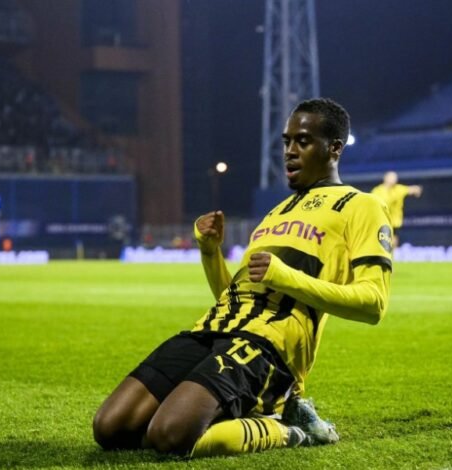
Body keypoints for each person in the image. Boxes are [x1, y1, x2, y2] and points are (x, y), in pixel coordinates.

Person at [92, 98, 393, 457]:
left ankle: (291, 428)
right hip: (212, 331)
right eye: (287, 142)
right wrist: (210, 252)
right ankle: (226, 416)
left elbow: (373, 303)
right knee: (110, 427)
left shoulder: (361, 206)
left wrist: (286, 277)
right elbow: (234, 294)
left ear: (335, 149)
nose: (290, 151)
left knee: (170, 436)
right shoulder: (277, 213)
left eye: (303, 141)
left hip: (269, 346)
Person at [370, 171, 422, 247]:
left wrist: (417, 190)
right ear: (385, 178)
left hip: (394, 221)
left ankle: (392, 252)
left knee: (393, 239)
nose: (393, 180)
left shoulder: (398, 189)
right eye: (391, 178)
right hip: (381, 220)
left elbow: (412, 189)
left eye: (394, 178)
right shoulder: (377, 190)